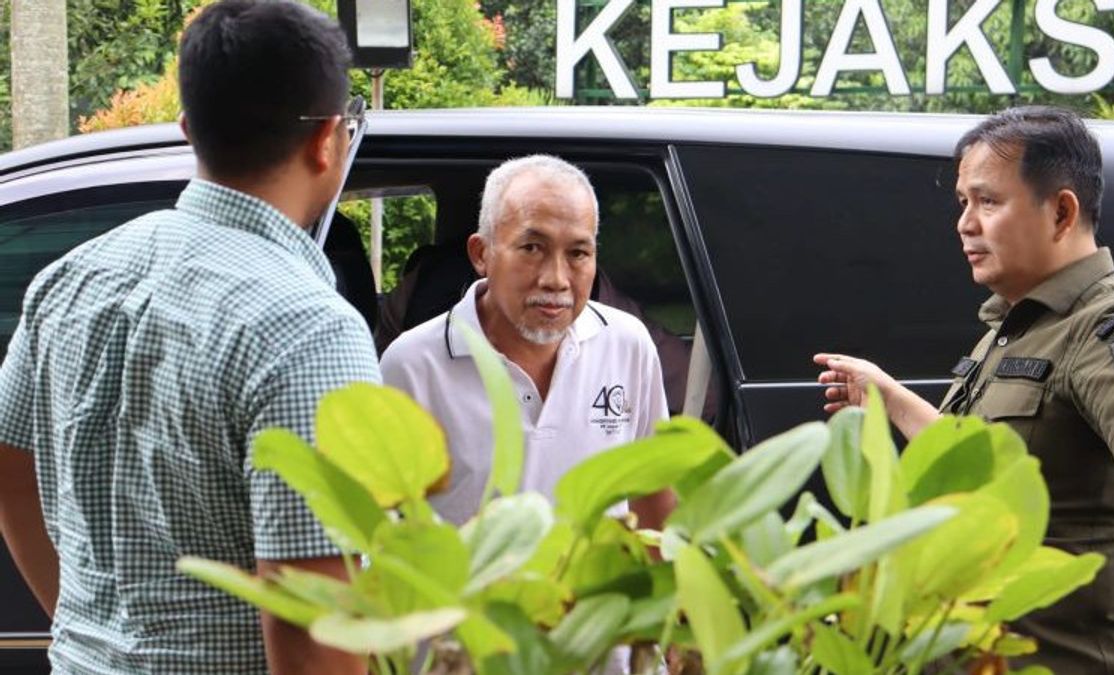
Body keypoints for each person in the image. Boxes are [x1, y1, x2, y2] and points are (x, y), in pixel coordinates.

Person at [0, 2, 377, 673]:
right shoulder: (310, 328)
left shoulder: (69, 278)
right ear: (327, 139)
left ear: (186, 130)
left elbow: (8, 474)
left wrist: (88, 634)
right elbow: (312, 619)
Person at [815, 106, 1114, 674]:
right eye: (963, 203)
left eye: (988, 201)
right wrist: (891, 399)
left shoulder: (1109, 324)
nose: (965, 223)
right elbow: (983, 462)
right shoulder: (1014, 327)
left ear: (1062, 211)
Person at [379, 154, 675, 529]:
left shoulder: (627, 345)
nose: (556, 279)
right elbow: (383, 534)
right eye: (532, 248)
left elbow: (654, 507)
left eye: (578, 253)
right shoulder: (413, 366)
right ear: (482, 253)